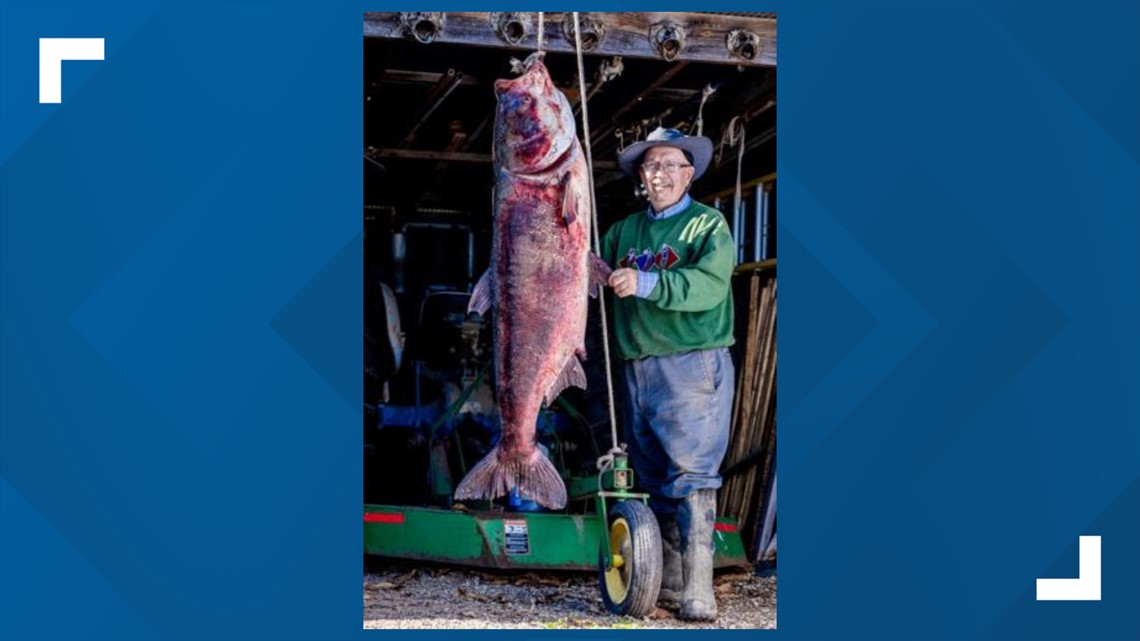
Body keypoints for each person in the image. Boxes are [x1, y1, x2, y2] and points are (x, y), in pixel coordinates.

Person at [601, 127, 736, 621]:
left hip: (691, 362)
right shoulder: (624, 232)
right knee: (655, 477)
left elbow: (709, 286)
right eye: (651, 166)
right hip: (638, 364)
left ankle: (700, 593)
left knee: (692, 476)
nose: (660, 174)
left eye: (671, 165)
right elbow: (591, 270)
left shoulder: (707, 226)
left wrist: (645, 281)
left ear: (689, 173)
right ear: (641, 176)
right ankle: (670, 586)